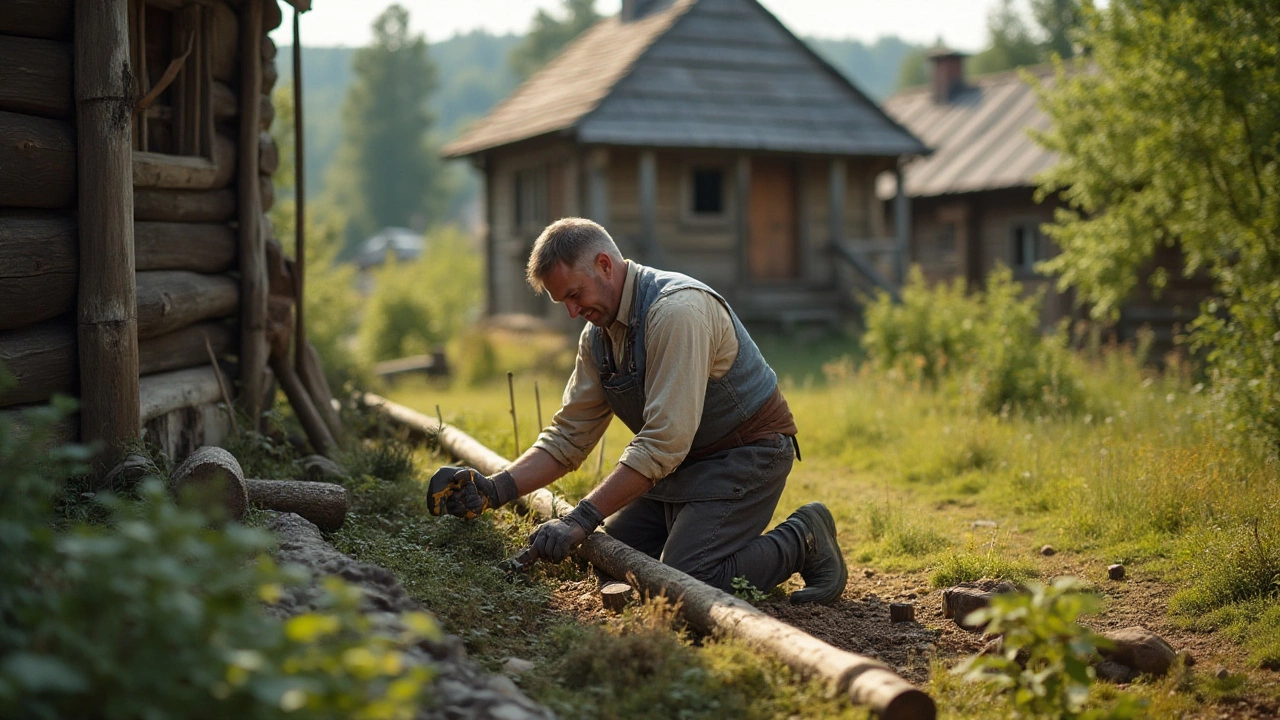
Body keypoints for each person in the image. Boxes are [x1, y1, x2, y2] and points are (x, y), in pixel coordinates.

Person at [431, 217, 847, 604]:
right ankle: (686, 524)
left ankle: (804, 538)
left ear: (605, 265)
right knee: (611, 559)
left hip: (745, 455)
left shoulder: (675, 312)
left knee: (683, 583)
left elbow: (664, 441)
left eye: (575, 295)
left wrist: (580, 518)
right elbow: (568, 437)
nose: (573, 312)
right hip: (681, 466)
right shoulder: (598, 336)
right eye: (564, 303)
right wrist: (493, 489)